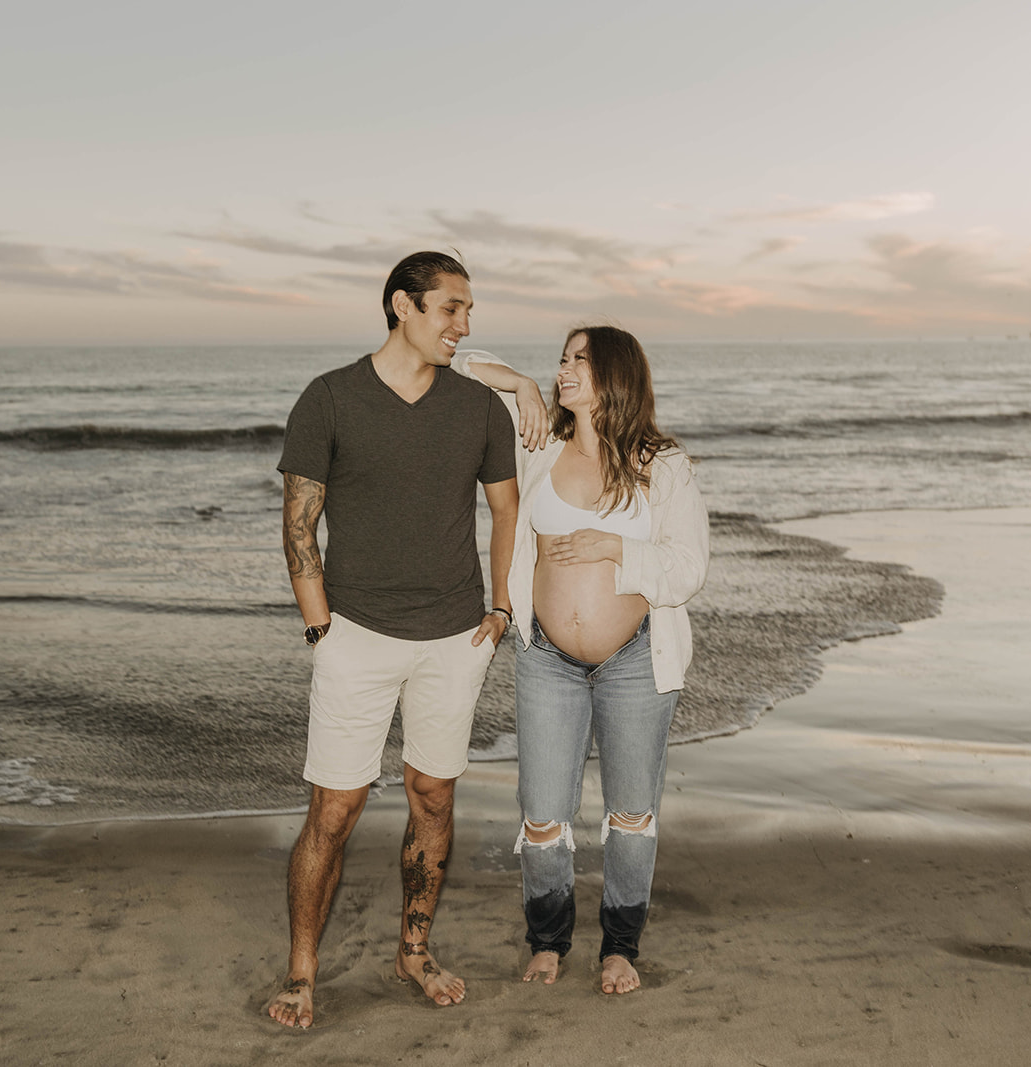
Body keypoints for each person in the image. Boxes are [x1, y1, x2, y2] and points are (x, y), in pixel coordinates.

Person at [266, 251, 547, 1029]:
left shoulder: (478, 409)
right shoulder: (328, 400)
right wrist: (321, 625)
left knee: (433, 797)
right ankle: (301, 972)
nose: (462, 325)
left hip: (454, 636)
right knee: (335, 808)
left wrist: (499, 609)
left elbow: (507, 511)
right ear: (402, 306)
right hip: (355, 632)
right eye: (450, 309)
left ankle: (413, 953)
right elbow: (298, 524)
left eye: (468, 313)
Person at [506, 325, 709, 995]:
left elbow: (687, 569)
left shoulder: (661, 463)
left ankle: (620, 947)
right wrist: (520, 385)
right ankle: (548, 938)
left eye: (580, 361)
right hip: (547, 659)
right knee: (541, 814)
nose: (565, 369)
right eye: (561, 358)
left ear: (614, 376)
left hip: (633, 660)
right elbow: (456, 370)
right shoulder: (538, 445)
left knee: (630, 812)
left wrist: (611, 547)